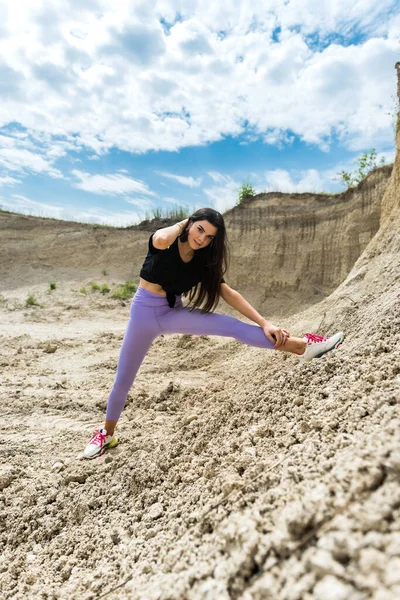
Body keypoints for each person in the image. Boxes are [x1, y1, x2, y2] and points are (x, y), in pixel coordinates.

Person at [82, 208, 343, 459]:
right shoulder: (167, 241)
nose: (202, 239)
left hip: (173, 312)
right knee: (124, 379)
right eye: (199, 230)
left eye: (209, 237)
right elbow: (160, 238)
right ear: (189, 224)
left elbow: (228, 293)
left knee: (231, 327)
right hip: (143, 314)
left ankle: (303, 347)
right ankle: (107, 433)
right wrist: (186, 223)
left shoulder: (203, 261)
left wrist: (265, 322)